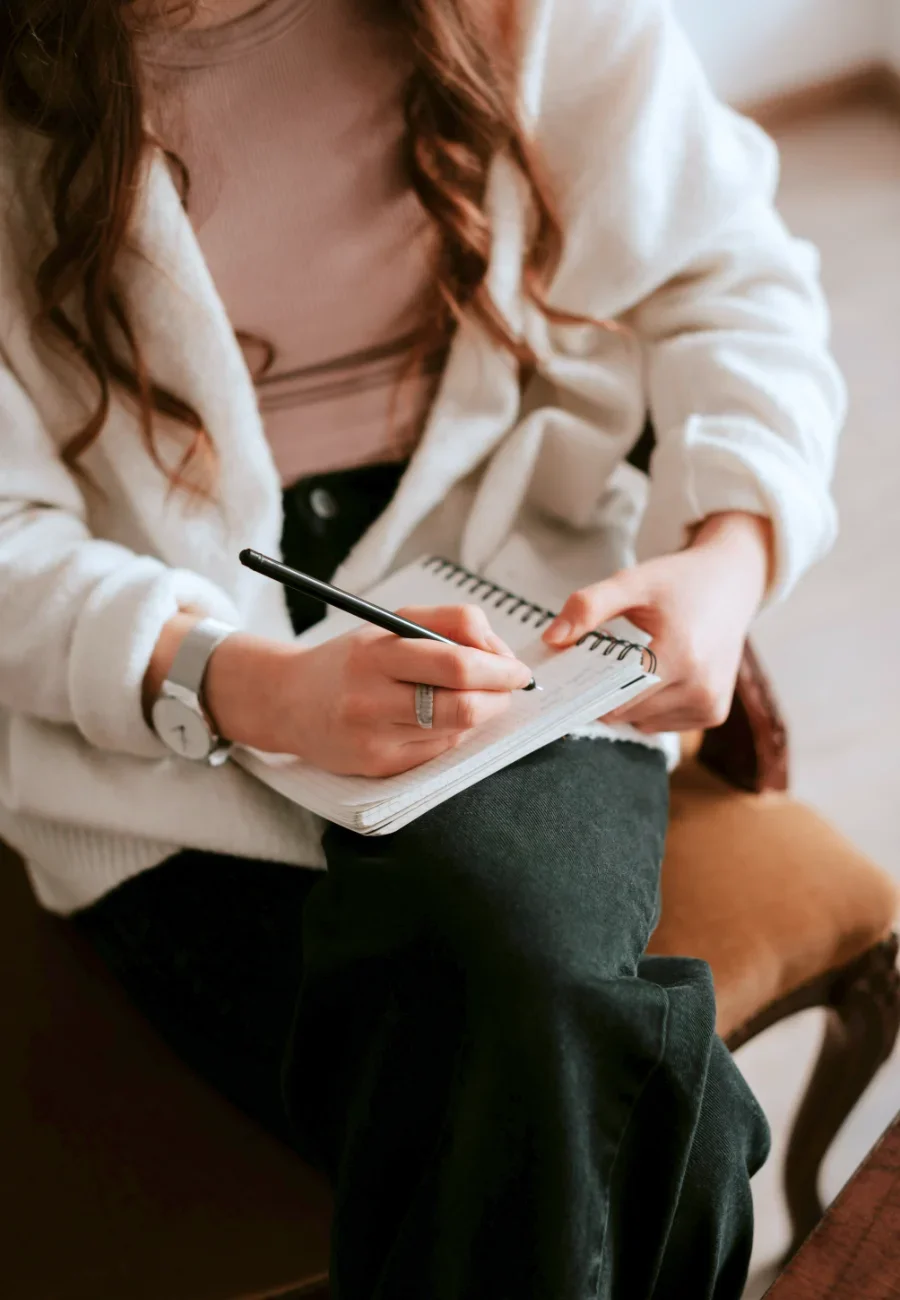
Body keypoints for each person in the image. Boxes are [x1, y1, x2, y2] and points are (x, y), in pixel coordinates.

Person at [0, 0, 845, 1295]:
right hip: (151, 655)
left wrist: (729, 557)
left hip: (508, 599)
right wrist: (242, 683)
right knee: (595, 1090)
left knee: (511, 977)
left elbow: (728, 281)